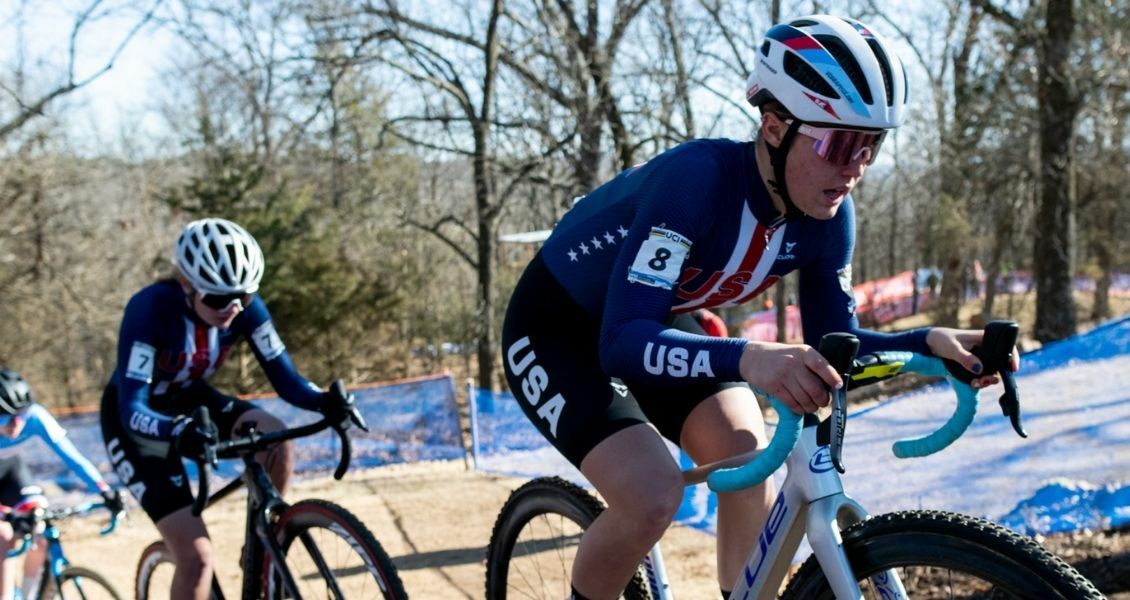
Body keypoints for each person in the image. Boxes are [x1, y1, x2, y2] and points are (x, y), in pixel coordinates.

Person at [500, 14, 1017, 600]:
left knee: (747, 459)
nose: (855, 168)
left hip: (655, 317)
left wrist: (927, 344)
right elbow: (620, 343)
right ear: (774, 127)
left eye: (870, 146)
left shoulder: (829, 215)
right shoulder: (696, 183)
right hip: (557, 328)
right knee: (652, 495)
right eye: (840, 143)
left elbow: (834, 349)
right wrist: (751, 358)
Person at [100, 218, 352, 600]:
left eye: (244, 297)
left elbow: (287, 381)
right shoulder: (150, 309)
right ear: (186, 286)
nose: (233, 308)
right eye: (218, 299)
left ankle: (261, 550)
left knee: (274, 437)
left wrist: (324, 401)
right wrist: (176, 431)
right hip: (137, 421)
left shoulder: (244, 309)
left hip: (191, 398)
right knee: (197, 559)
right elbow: (132, 405)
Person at [0, 368, 122, 600]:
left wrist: (104, 491)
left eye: (21, 416)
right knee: (3, 536)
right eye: (6, 418)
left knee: (40, 530)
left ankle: (28, 595)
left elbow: (73, 458)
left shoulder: (35, 417)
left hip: (11, 472)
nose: (16, 424)